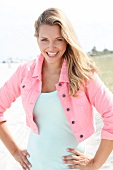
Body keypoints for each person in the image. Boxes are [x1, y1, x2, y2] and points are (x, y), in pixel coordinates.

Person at [0, 7, 113, 170]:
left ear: (67, 39)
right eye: (44, 39)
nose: (51, 47)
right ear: (37, 39)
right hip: (35, 166)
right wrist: (15, 152)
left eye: (58, 39)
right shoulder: (25, 72)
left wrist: (95, 163)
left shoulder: (82, 75)